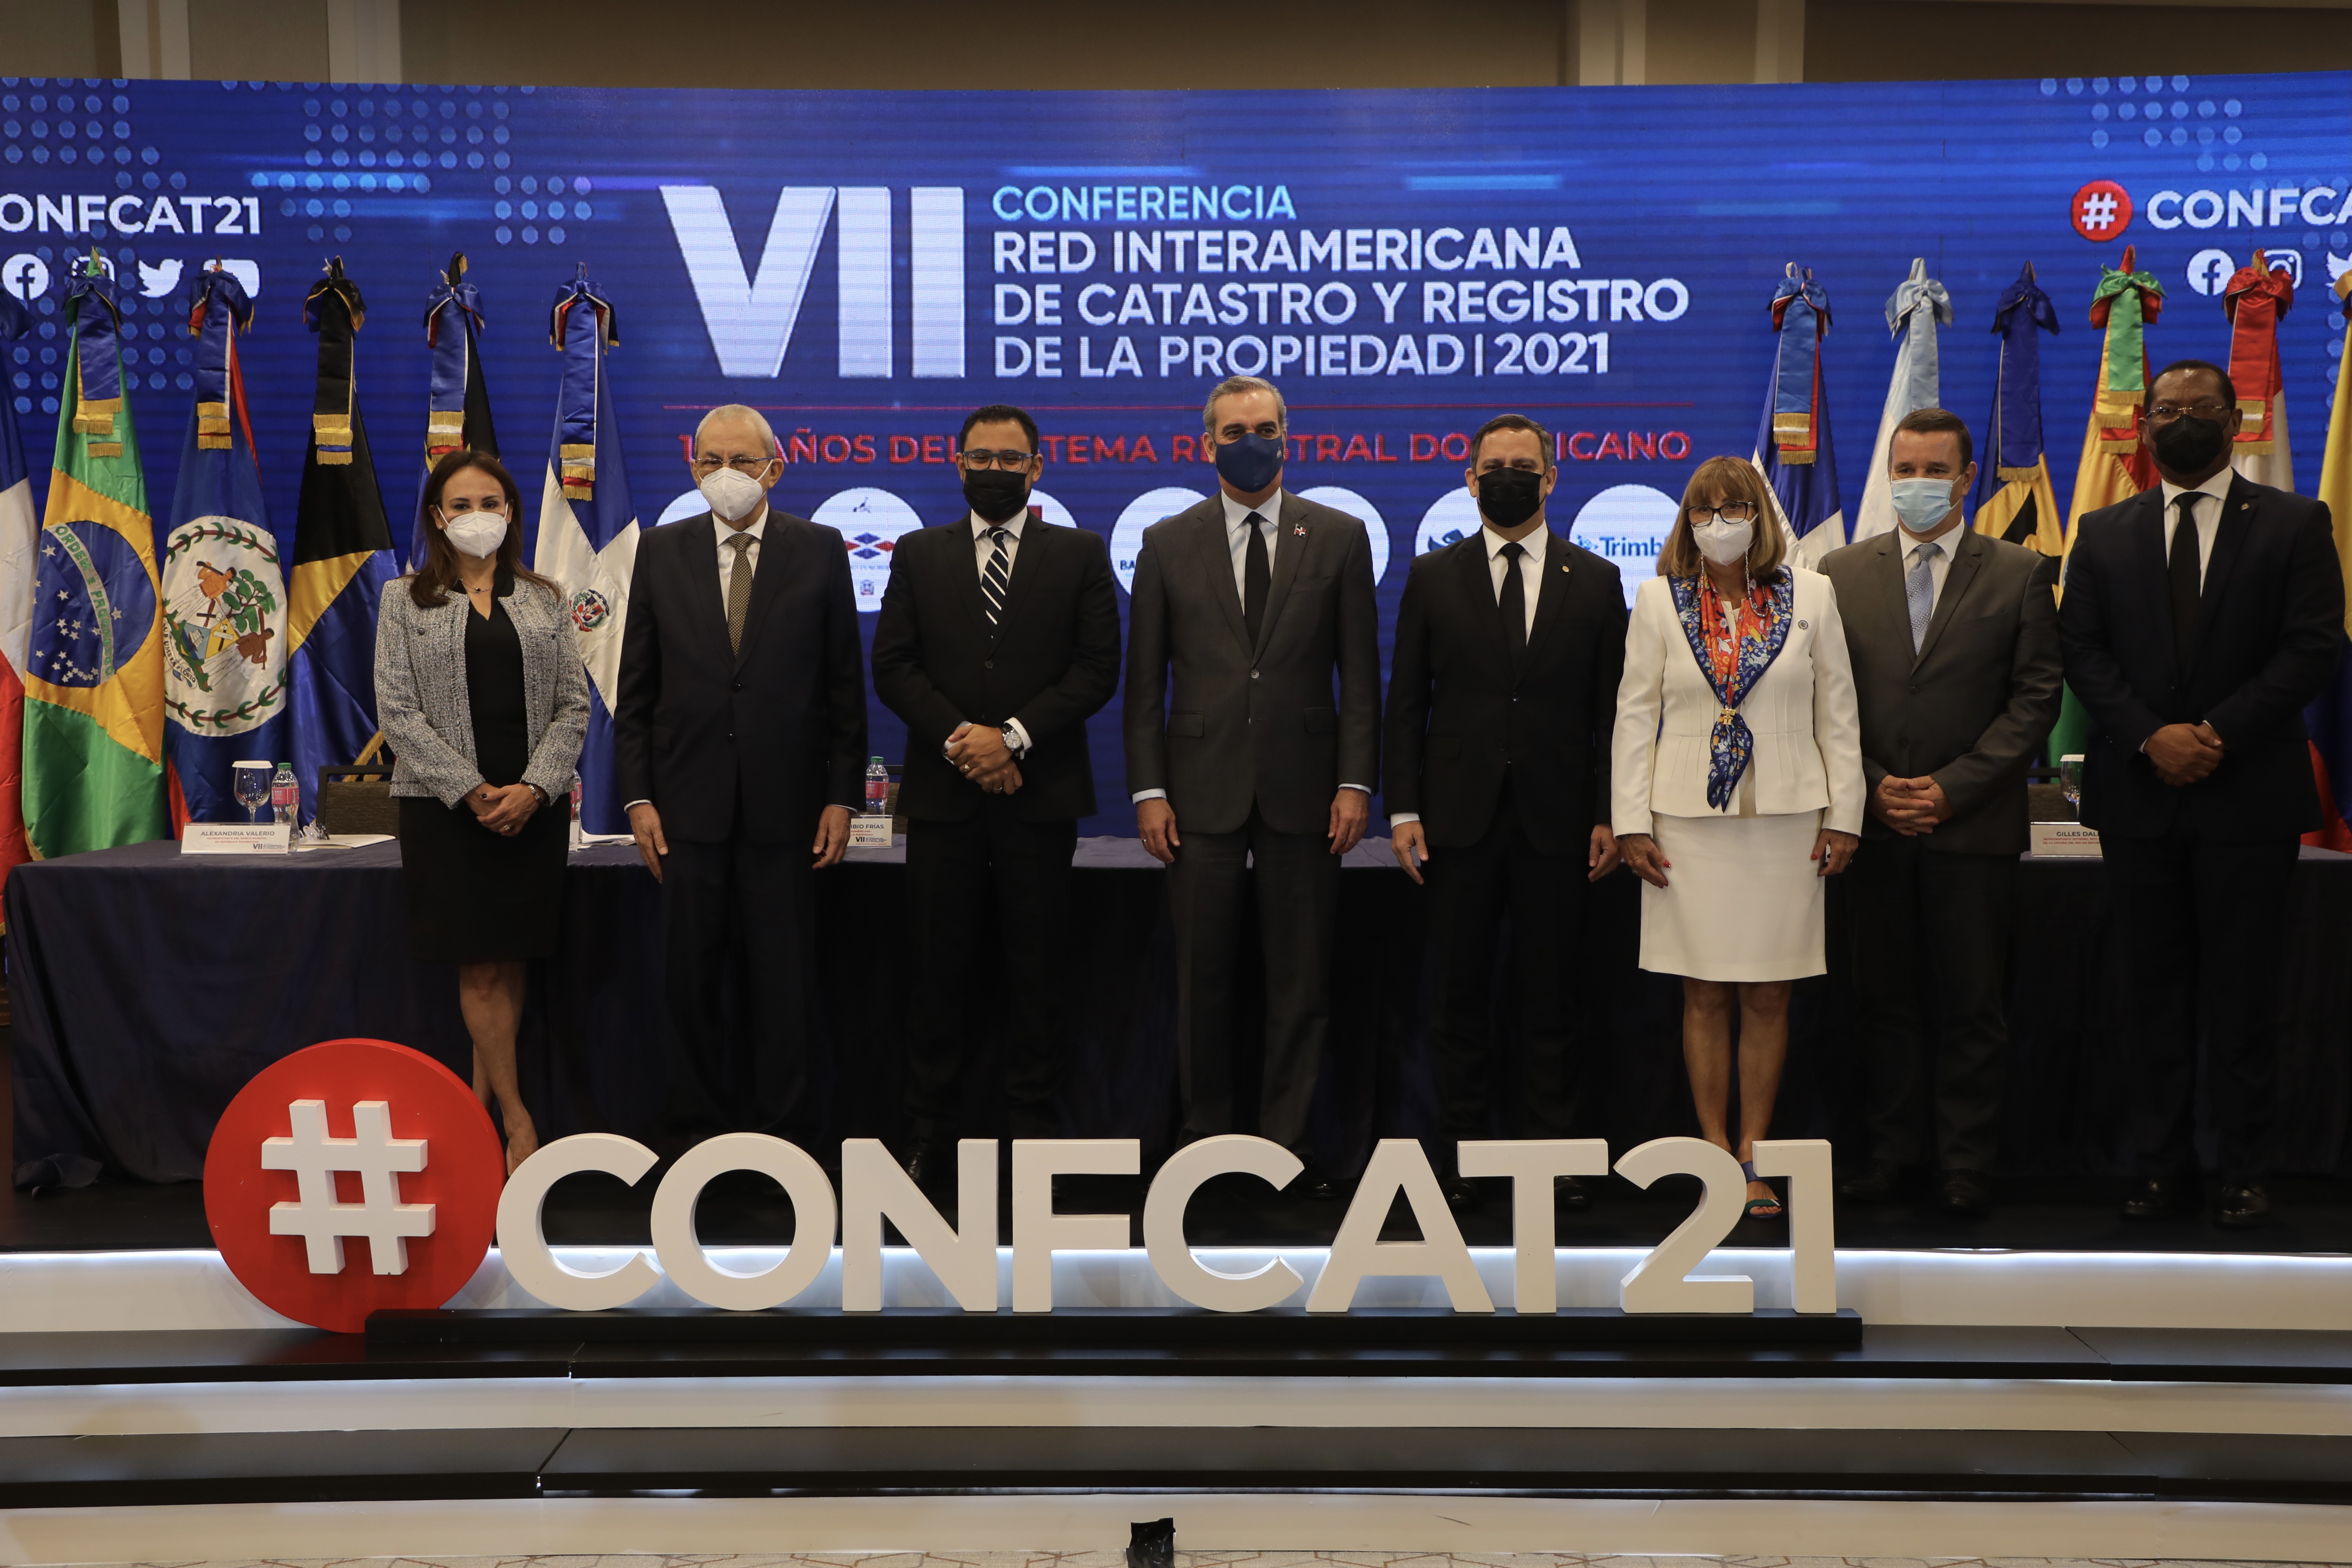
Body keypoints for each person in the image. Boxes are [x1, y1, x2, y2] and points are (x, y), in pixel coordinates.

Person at [2058, 359, 2341, 1229]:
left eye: (2201, 407)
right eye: (2167, 409)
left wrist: (2215, 733)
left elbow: (2312, 647)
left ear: (2235, 420)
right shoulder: (2102, 531)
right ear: (2144, 424)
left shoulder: (2295, 522)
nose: (2183, 420)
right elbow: (2083, 653)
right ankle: (2160, 1168)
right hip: (2139, 798)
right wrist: (2153, 737)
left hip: (2248, 795)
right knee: (2150, 995)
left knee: (2246, 997)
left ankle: (2245, 1170)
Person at [1123, 374, 1379, 1194]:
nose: (1251, 442)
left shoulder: (1338, 536)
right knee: (1200, 979)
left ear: (1286, 436)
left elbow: (1360, 679)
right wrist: (1149, 792)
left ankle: (1286, 1149)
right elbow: (1144, 687)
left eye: (1264, 428)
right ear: (1207, 444)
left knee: (1300, 982)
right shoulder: (1167, 542)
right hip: (1197, 792)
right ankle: (1206, 1143)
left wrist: (1355, 782)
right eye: (1234, 431)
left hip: (1308, 793)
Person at [1820, 408, 2063, 1217]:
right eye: (1905, 469)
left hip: (1973, 827)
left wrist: (1953, 787)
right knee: (1881, 1000)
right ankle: (1892, 1156)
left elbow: (2035, 699)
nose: (1917, 483)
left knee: (1972, 1005)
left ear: (1966, 479)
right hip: (1872, 826)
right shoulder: (1839, 573)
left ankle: (1965, 1165)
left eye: (1933, 470)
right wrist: (1872, 784)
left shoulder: (2019, 571)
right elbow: (1820, 701)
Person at [871, 404, 1121, 1184]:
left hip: (1039, 800)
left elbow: (1096, 670)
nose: (996, 471)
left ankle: (1033, 1140)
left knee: (1038, 977)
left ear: (1037, 468)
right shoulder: (918, 553)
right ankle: (928, 1135)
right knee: (936, 974)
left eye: (1012, 460)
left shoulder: (1079, 554)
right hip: (944, 803)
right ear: (958, 464)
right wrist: (968, 743)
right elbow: (895, 666)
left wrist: (1010, 738)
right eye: (981, 457)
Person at [1612, 455, 1865, 1220]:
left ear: (1760, 514)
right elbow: (1634, 716)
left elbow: (1839, 713)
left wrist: (1846, 814)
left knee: (1769, 992)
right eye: (1704, 509)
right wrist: (1630, 822)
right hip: (1686, 824)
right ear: (1686, 520)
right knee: (1702, 992)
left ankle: (1755, 1151)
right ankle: (1714, 1152)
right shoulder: (1658, 600)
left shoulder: (1812, 594)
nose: (1719, 522)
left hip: (1790, 822)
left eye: (1734, 507)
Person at [1385, 413, 1626, 1214]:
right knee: (1458, 998)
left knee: (1553, 998)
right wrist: (1403, 807)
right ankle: (1463, 1158)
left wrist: (1609, 811)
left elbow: (1613, 715)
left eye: (1525, 466)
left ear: (1551, 478)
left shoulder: (1596, 580)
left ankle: (1558, 1160)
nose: (1509, 478)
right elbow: (1405, 704)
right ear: (1470, 480)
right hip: (1456, 823)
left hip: (1561, 823)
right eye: (1495, 467)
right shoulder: (1433, 576)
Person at [615, 404, 869, 1147]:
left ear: (775, 469)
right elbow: (637, 691)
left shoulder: (820, 549)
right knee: (690, 988)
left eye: (742, 461)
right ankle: (696, 1139)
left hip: (788, 813)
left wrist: (841, 797)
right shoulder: (660, 550)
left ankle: (785, 1142)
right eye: (711, 461)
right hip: (685, 812)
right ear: (693, 468)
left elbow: (843, 688)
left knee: (784, 989)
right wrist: (638, 796)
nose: (725, 474)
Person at [375, 449, 589, 1174]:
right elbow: (397, 712)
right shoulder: (403, 600)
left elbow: (574, 706)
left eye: (490, 503)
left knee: (510, 961)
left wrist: (535, 788)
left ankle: (475, 1111)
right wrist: (471, 790)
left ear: (510, 512)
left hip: (534, 811)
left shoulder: (545, 599)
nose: (477, 517)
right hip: (446, 814)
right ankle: (519, 1120)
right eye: (461, 505)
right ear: (438, 518)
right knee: (483, 970)